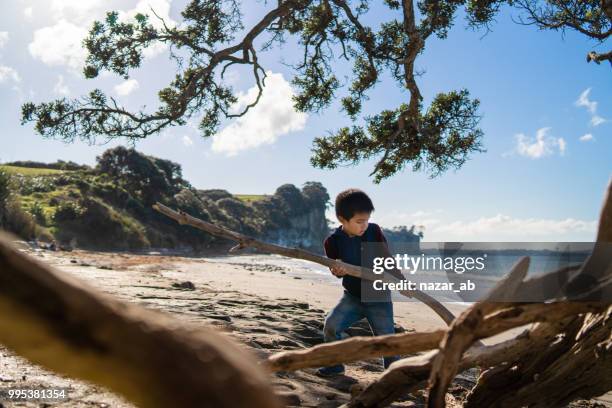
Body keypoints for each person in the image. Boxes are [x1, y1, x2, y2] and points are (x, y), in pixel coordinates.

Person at [317, 188, 402, 377]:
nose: (364, 225)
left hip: (378, 296)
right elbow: (336, 269)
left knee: (386, 339)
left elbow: (387, 258)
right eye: (359, 222)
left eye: (367, 220)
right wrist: (337, 270)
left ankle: (393, 373)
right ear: (342, 219)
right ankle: (334, 364)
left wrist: (401, 281)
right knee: (331, 325)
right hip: (352, 296)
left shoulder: (374, 231)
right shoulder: (333, 242)